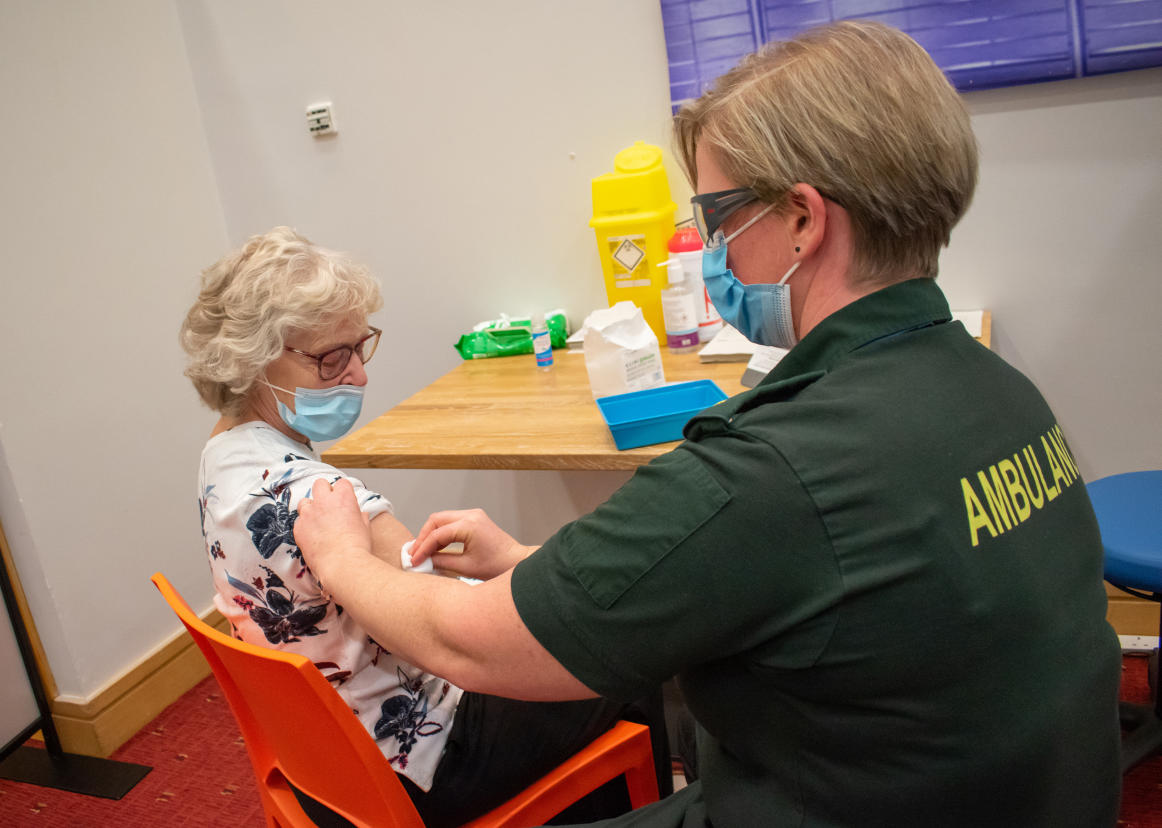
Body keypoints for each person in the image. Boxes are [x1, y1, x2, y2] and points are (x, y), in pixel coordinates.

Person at [292, 21, 1122, 828]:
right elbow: (799, 566)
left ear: (802, 218)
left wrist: (338, 560)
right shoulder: (996, 389)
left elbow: (473, 645)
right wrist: (534, 561)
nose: (709, 249)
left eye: (719, 218)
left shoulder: (775, 466)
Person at [178, 226, 669, 827]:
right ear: (253, 362)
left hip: (327, 758)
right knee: (625, 649)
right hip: (419, 760)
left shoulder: (221, 455)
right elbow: (459, 638)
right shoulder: (322, 500)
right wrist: (525, 564)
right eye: (333, 357)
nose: (358, 376)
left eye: (361, 347)